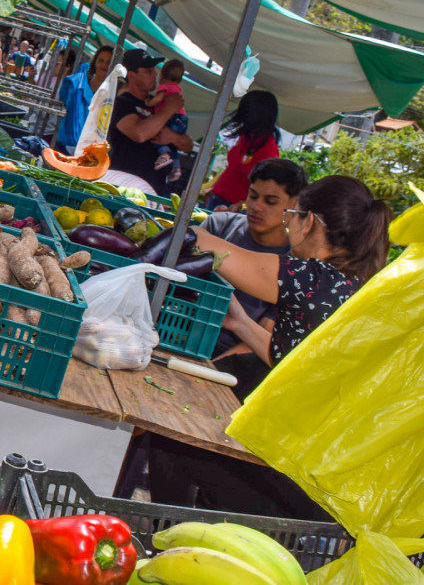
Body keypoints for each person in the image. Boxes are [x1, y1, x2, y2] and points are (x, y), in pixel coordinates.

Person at [148, 175, 392, 520]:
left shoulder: (313, 280)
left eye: (292, 214)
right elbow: (294, 359)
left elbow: (206, 245)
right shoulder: (360, 286)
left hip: (300, 485)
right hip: (328, 474)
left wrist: (176, 224)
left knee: (172, 440)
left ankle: (169, 541)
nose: (288, 225)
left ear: (309, 223)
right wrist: (241, 323)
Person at [201, 158, 308, 397]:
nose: (257, 206)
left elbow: (257, 340)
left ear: (294, 206)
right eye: (253, 196)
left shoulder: (294, 270)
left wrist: (203, 373)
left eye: (270, 201)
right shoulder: (218, 227)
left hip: (226, 369)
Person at [106, 48, 192, 192]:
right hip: (123, 185)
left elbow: (188, 144)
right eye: (148, 71)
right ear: (132, 75)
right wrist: (168, 110)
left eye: (153, 70)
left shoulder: (158, 102)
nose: (155, 74)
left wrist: (173, 137)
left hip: (155, 187)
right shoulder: (121, 103)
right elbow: (139, 134)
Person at [205, 91, 281, 211]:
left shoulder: (269, 150)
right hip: (217, 198)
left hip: (236, 208)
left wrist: (243, 205)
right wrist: (214, 188)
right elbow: (233, 168)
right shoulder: (246, 137)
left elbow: (266, 187)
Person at [55, 45, 113, 154]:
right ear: (95, 62)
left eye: (108, 62)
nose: (104, 65)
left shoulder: (112, 93)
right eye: (101, 60)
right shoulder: (78, 84)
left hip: (91, 149)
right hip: (67, 143)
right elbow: (64, 99)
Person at [149, 59, 190, 182]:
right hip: (182, 120)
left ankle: (164, 155)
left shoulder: (164, 87)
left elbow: (158, 99)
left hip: (172, 118)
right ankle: (176, 169)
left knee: (157, 136)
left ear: (162, 75)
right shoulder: (177, 88)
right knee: (173, 146)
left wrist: (149, 103)